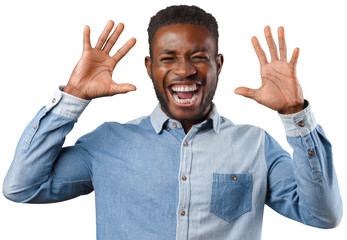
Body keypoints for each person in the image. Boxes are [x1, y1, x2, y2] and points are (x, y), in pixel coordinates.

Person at [2, 5, 342, 240]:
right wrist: (74, 96)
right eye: (169, 58)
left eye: (198, 57)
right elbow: (21, 188)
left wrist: (295, 113)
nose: (184, 70)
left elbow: (324, 216)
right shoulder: (107, 143)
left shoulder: (256, 145)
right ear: (150, 67)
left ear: (218, 64)